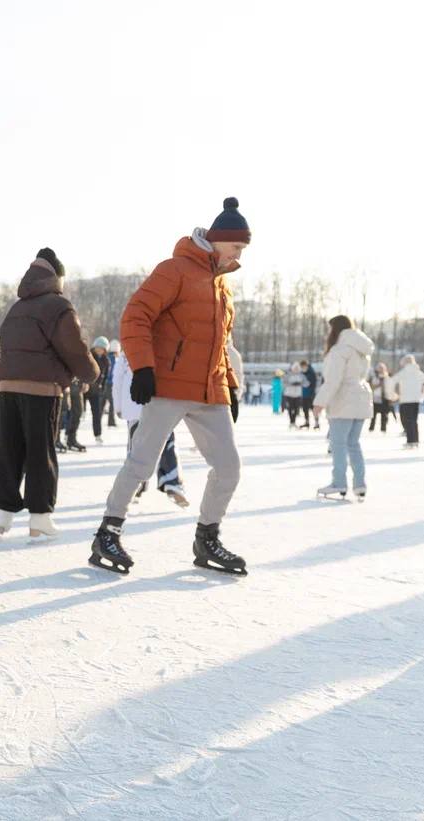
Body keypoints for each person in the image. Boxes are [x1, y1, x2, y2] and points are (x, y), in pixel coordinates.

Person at [89, 197, 249, 577]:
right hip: (169, 387)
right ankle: (107, 533)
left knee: (228, 468)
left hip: (209, 392)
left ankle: (207, 537)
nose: (241, 253)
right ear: (218, 239)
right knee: (142, 463)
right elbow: (136, 315)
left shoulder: (222, 286)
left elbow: (221, 344)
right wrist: (143, 367)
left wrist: (230, 385)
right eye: (237, 246)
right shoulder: (175, 270)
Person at [0, 248, 97, 539]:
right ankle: (39, 517)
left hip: (9, 386)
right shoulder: (58, 306)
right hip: (42, 390)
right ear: (57, 278)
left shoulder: (16, 307)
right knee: (41, 452)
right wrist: (91, 374)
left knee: (8, 449)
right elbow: (74, 348)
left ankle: (4, 515)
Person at [113, 350, 188, 508]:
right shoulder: (132, 351)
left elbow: (117, 380)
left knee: (138, 447)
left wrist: (118, 406)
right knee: (165, 442)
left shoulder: (127, 352)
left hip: (139, 406)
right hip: (154, 405)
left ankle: (138, 486)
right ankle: (171, 481)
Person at [313, 315, 373, 500]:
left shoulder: (340, 350)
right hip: (361, 398)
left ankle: (339, 482)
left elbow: (333, 380)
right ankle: (360, 484)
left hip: (344, 400)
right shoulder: (362, 349)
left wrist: (319, 402)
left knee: (338, 444)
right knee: (353, 444)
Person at [393, 355, 424, 449]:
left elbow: (392, 381)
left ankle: (411, 441)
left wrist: (393, 395)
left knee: (407, 421)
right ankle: (415, 440)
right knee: (414, 421)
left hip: (406, 400)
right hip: (416, 400)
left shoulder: (404, 372)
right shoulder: (418, 372)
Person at [87, 336, 111, 442]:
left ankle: (98, 434)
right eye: (98, 348)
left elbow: (105, 377)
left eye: (103, 348)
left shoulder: (106, 361)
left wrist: (102, 389)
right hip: (86, 387)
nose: (100, 350)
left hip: (96, 390)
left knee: (97, 413)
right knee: (75, 413)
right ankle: (70, 435)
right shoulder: (89, 356)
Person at [368, 363, 394, 432]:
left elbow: (391, 389)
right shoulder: (374, 378)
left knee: (384, 416)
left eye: (382, 369)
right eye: (379, 368)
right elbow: (371, 388)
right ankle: (371, 429)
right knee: (373, 416)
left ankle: (383, 429)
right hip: (375, 399)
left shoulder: (388, 378)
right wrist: (379, 385)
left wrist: (391, 398)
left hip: (385, 399)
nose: (381, 370)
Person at [300, 359, 319, 429]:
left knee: (314, 409)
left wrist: (312, 392)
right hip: (304, 394)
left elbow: (313, 384)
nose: (303, 368)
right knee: (305, 409)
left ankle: (317, 423)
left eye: (303, 366)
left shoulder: (311, 373)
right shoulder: (302, 373)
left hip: (311, 394)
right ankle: (307, 422)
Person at [105, 339, 121, 427]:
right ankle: (111, 421)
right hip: (111, 384)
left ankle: (99, 420)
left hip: (106, 383)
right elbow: (113, 373)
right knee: (112, 403)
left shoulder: (107, 357)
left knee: (103, 402)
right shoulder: (114, 359)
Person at [284, 363, 305, 427]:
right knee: (290, 408)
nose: (296, 370)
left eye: (297, 368)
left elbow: (306, 383)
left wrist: (300, 384)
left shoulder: (301, 375)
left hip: (297, 395)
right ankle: (291, 421)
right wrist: (292, 384)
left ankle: (294, 421)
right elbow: (284, 383)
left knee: (296, 408)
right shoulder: (288, 375)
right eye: (295, 368)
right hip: (289, 394)